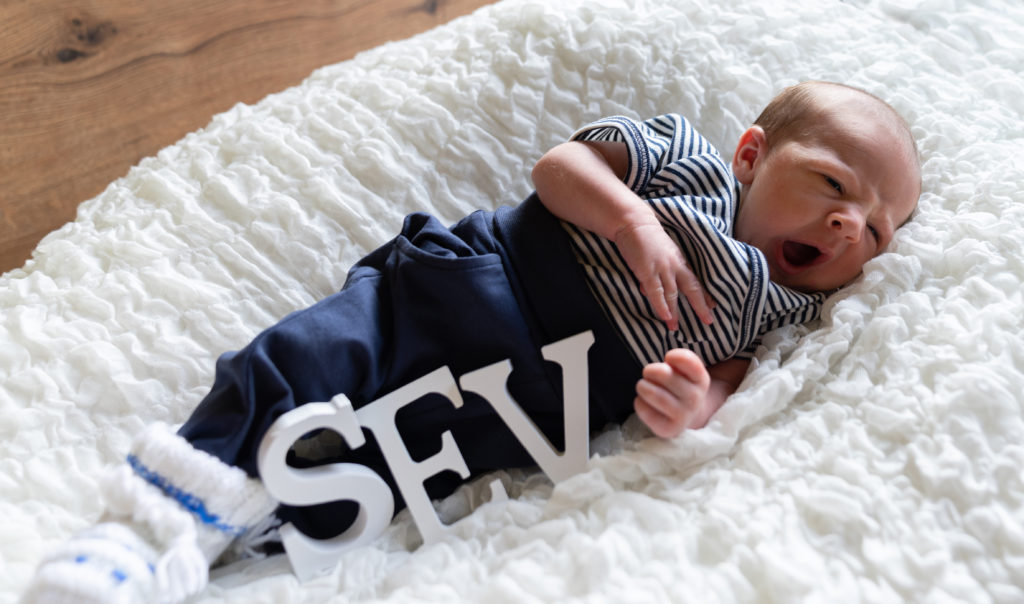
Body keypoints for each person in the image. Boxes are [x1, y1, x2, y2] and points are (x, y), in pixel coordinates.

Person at [22, 81, 921, 604]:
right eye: (832, 184)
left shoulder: (776, 312)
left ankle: (222, 551)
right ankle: (144, 529)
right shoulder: (681, 163)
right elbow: (558, 170)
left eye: (878, 232)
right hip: (473, 288)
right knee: (313, 361)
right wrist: (632, 220)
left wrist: (695, 402)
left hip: (534, 406)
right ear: (752, 155)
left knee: (370, 472)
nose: (849, 225)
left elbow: (730, 380)